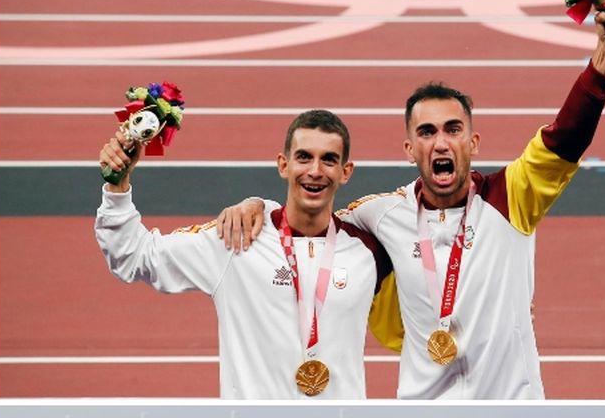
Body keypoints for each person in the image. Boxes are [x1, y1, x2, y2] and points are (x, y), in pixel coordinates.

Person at [219, 4, 605, 399]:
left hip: (511, 401)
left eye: (453, 130)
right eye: (426, 132)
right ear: (409, 148)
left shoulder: (512, 197)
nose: (440, 142)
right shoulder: (381, 215)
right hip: (422, 404)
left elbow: (564, 138)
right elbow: (311, 220)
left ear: (472, 143)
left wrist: (602, 61)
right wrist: (258, 204)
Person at [95, 110, 388, 398]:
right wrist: (117, 188)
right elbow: (134, 257)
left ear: (345, 172)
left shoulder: (369, 249)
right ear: (283, 165)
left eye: (328, 160)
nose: (314, 171)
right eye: (303, 157)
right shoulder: (237, 238)